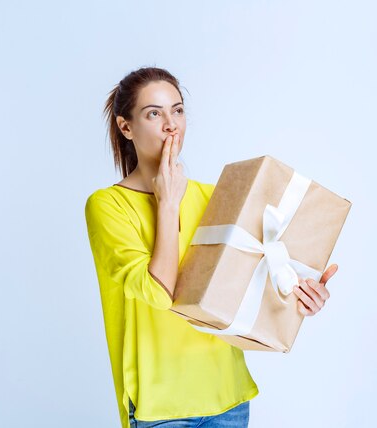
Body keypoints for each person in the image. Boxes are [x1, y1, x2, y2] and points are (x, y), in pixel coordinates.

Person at [84, 66, 339, 428]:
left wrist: (298, 292)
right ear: (126, 127)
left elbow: (245, 289)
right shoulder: (107, 206)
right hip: (162, 410)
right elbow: (158, 292)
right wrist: (167, 202)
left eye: (178, 109)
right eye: (153, 113)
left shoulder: (213, 196)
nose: (171, 124)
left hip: (228, 398)